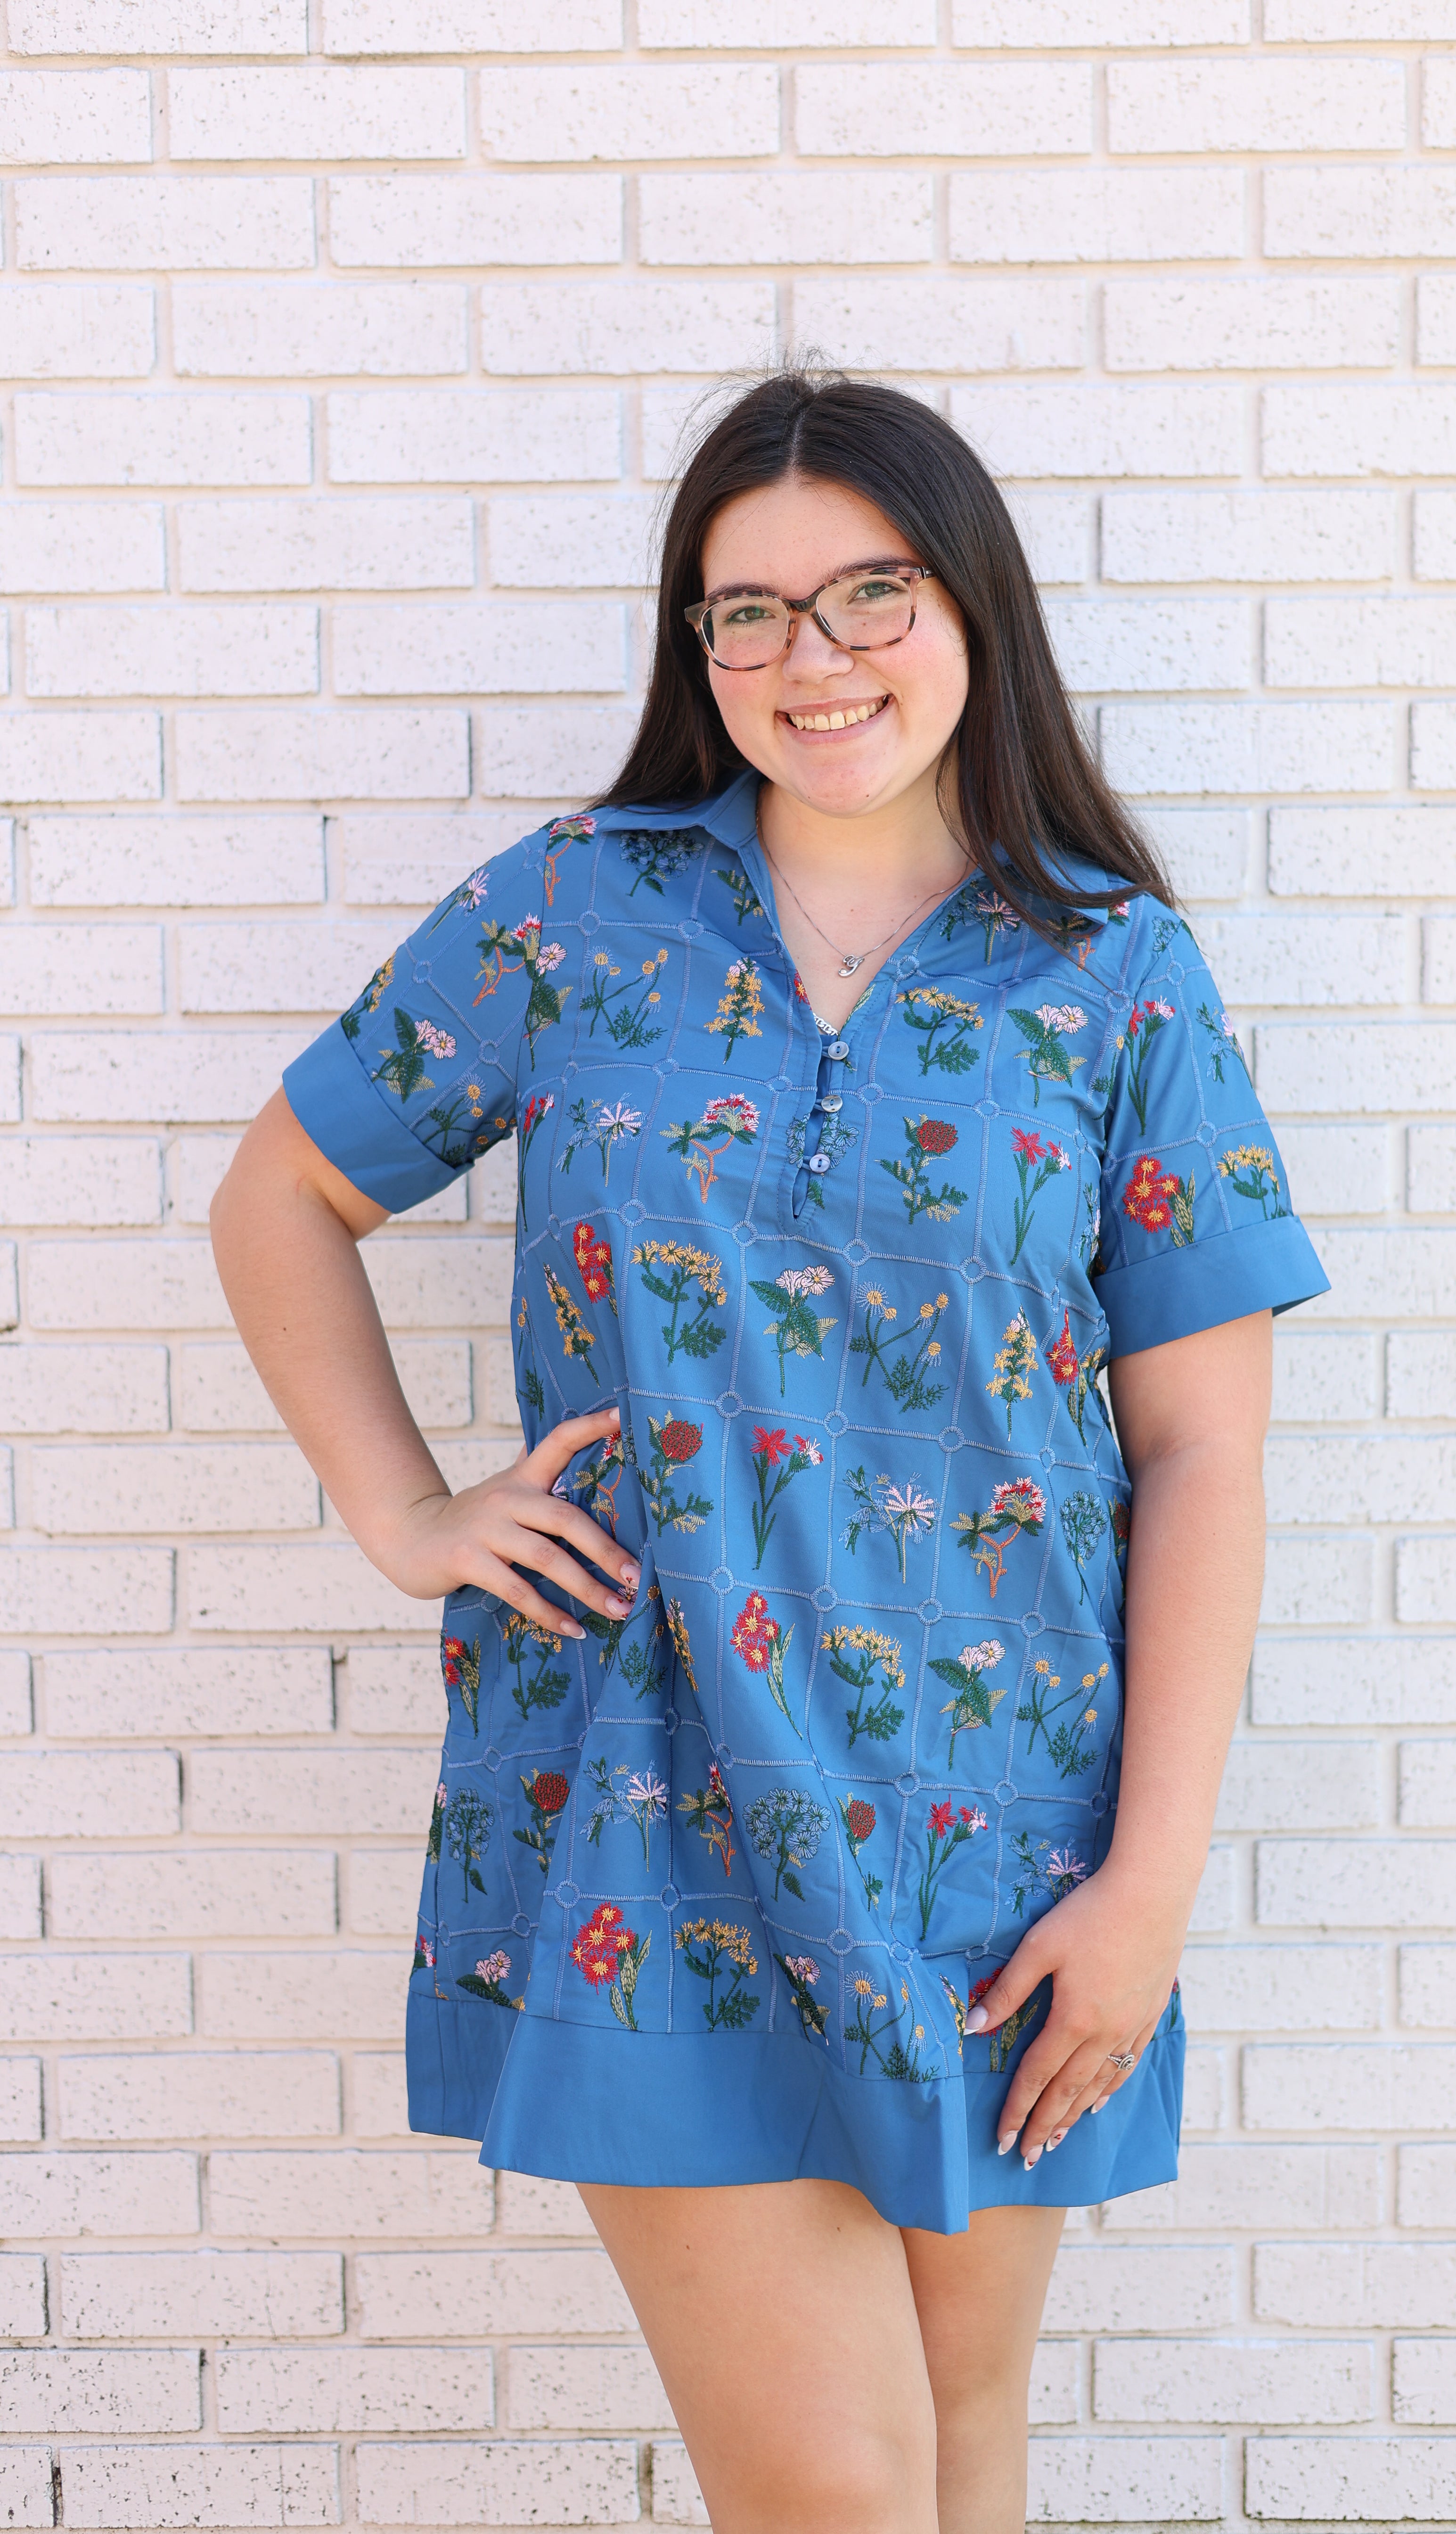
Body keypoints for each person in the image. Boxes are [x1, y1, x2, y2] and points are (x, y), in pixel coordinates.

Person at [212, 366, 1328, 2534]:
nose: (812, 662)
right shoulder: (575, 911)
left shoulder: (1112, 974)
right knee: (836, 2494)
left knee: (965, 2455)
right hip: (651, 1801)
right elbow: (285, 1196)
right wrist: (406, 1511)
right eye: (749, 614)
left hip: (1003, 1846)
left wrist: (1151, 1887)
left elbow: (1203, 1452)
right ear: (693, 645)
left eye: (868, 595)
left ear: (970, 606)